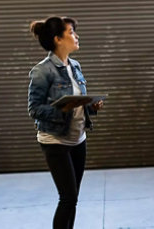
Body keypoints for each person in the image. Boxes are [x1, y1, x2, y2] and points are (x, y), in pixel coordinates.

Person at [27, 16, 103, 229]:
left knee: (73, 198)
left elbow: (79, 101)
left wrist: (90, 106)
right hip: (55, 141)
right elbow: (34, 109)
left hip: (78, 138)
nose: (76, 36)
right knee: (67, 197)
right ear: (58, 39)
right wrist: (62, 110)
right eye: (71, 32)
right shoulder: (42, 71)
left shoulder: (75, 66)